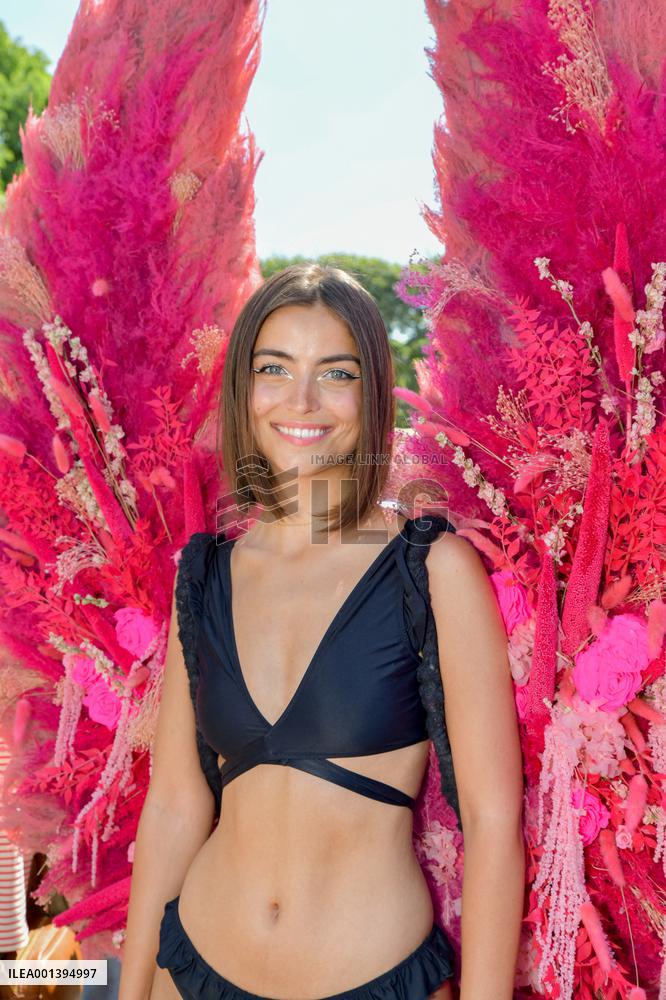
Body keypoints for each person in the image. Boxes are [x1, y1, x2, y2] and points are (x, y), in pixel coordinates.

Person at [119, 264, 525, 1000]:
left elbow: (494, 823)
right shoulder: (204, 573)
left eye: (334, 372)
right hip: (194, 970)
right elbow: (177, 804)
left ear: (370, 393)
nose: (300, 401)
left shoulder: (431, 569)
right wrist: (132, 991)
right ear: (244, 389)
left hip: (374, 979)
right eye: (273, 368)